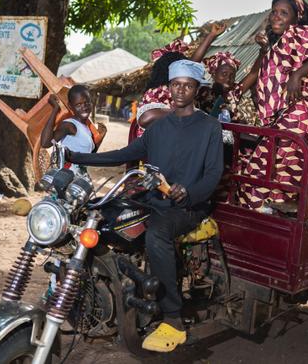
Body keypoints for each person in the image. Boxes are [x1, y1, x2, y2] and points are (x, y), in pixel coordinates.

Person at [67, 59, 223, 352]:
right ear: (169, 87)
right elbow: (126, 153)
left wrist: (187, 193)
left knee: (157, 234)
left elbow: (213, 174)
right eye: (176, 85)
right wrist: (77, 158)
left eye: (187, 86)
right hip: (154, 200)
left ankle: (174, 319)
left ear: (197, 90)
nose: (180, 91)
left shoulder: (209, 127)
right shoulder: (160, 127)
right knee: (105, 216)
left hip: (189, 206)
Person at [238, 0, 308, 210]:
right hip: (288, 113)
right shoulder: (278, 42)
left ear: (296, 17)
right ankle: (275, 212)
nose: (276, 16)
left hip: (305, 111)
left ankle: (262, 210)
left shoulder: (300, 32)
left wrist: (298, 74)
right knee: (281, 168)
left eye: (284, 13)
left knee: (262, 165)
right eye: (274, 12)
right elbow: (260, 74)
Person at [136, 23, 227, 135]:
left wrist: (212, 35)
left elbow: (192, 64)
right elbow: (146, 118)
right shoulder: (159, 91)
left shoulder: (180, 90)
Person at [40, 85, 99, 174]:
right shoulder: (69, 126)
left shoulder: (86, 127)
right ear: (70, 106)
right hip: (66, 178)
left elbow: (88, 155)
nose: (84, 107)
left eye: (87, 103)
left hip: (79, 178)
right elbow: (46, 143)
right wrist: (55, 109)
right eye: (78, 104)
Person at [202, 51, 259, 125]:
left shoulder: (233, 94)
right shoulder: (203, 96)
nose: (228, 79)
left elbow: (253, 73)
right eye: (224, 74)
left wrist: (263, 51)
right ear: (213, 74)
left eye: (232, 76)